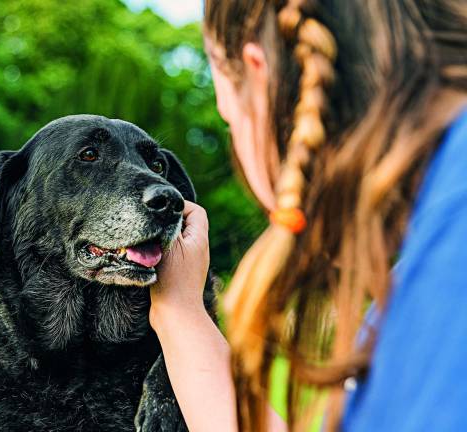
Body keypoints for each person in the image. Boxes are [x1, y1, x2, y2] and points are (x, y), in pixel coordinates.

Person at [151, 0, 467, 430]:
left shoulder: (450, 266)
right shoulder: (429, 258)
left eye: (229, 121)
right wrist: (179, 311)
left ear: (259, 74)